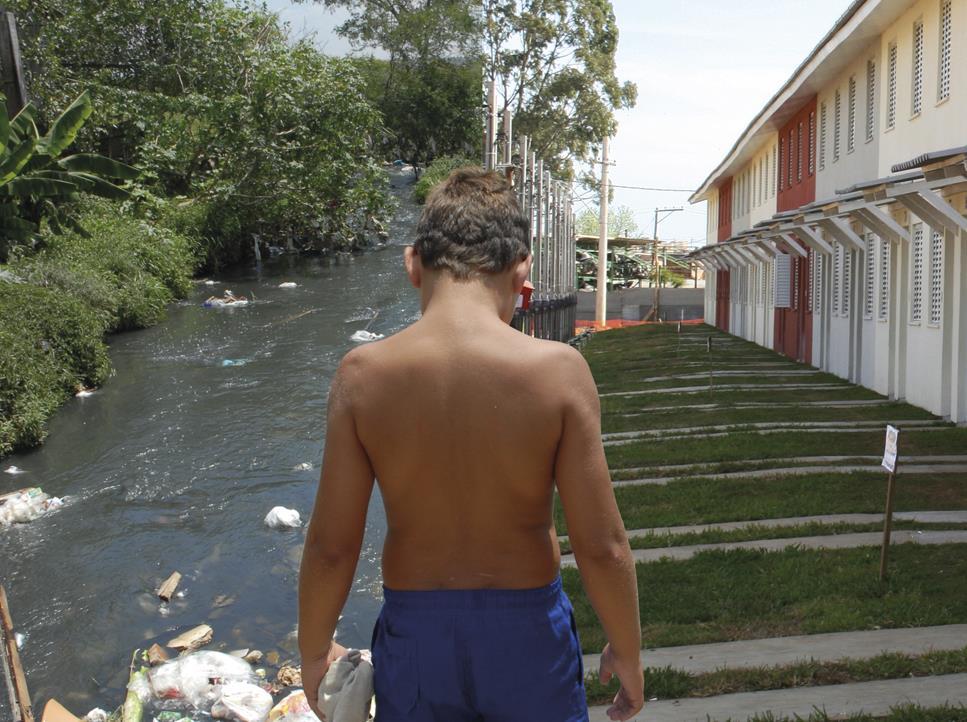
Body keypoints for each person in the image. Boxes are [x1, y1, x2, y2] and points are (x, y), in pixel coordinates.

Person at [298, 167, 643, 722]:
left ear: (413, 264)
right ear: (520, 269)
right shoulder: (558, 371)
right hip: (528, 636)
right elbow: (602, 545)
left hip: (415, 638)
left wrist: (314, 653)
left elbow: (331, 548)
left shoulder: (362, 375)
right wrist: (626, 650)